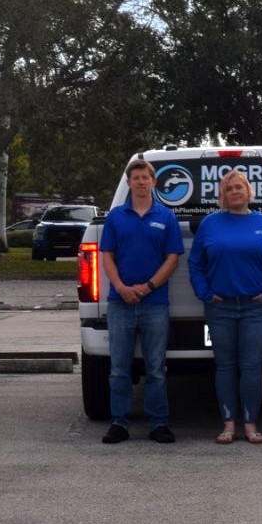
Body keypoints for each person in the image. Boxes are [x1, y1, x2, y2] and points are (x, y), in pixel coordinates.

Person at [188, 169, 262, 445]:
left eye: (239, 187)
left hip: (256, 309)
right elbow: (195, 264)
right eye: (229, 188)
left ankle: (251, 425)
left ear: (248, 191)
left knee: (252, 366)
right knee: (225, 366)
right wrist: (205, 293)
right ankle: (228, 425)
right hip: (220, 309)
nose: (234, 192)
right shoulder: (210, 224)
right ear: (222, 194)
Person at [100, 158, 184, 444]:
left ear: (153, 182)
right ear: (129, 183)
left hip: (155, 303)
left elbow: (172, 259)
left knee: (156, 370)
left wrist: (148, 287)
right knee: (119, 370)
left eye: (145, 177)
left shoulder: (166, 217)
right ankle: (119, 423)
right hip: (120, 303)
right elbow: (107, 257)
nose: (140, 182)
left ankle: (158, 423)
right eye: (135, 178)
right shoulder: (115, 217)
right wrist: (121, 287)